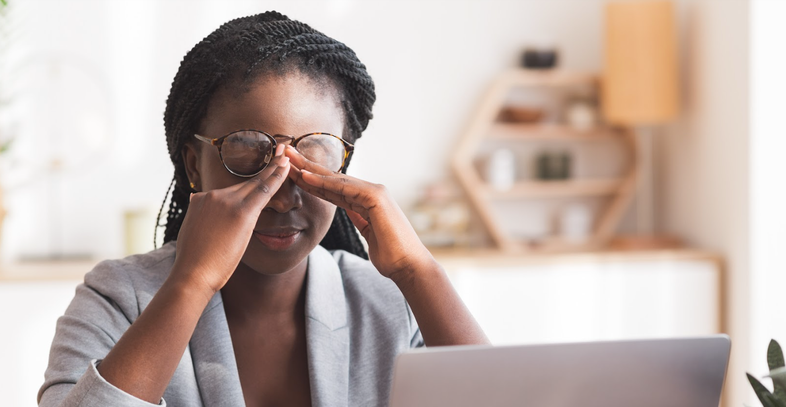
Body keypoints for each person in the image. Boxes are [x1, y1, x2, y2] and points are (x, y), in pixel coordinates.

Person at [37, 11, 487, 407]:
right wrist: (192, 282)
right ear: (195, 165)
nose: (284, 194)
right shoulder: (117, 298)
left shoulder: (390, 302)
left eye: (315, 155)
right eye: (249, 153)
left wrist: (416, 272)